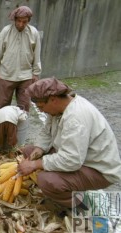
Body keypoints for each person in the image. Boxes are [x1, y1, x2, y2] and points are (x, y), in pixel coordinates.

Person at [17, 77, 121, 208]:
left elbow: (71, 160)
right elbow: (46, 132)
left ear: (53, 99)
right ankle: (65, 185)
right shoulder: (59, 108)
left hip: (97, 169)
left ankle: (83, 204)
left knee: (47, 181)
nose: (41, 111)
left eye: (42, 107)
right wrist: (39, 149)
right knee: (29, 151)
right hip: (79, 158)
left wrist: (36, 164)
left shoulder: (76, 119)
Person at [0, 5, 41, 144]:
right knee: (2, 108)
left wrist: (35, 73)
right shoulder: (6, 32)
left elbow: (37, 54)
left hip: (26, 76)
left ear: (28, 21)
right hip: (6, 75)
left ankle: (19, 142)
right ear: (14, 19)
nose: (21, 24)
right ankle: (1, 140)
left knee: (24, 110)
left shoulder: (34, 33)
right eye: (18, 21)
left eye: (24, 21)